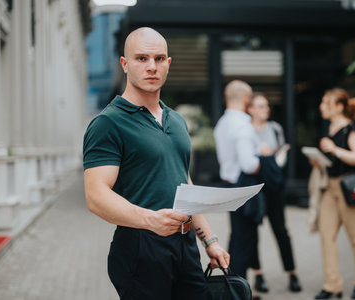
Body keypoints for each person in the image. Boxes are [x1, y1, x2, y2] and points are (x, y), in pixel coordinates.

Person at [83, 27, 229, 300]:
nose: (152, 66)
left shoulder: (176, 120)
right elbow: (96, 195)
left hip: (185, 246)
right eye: (141, 59)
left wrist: (209, 241)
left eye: (159, 59)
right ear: (125, 65)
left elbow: (184, 184)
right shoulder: (108, 123)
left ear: (168, 64)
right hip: (141, 246)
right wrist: (151, 220)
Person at [310, 88, 355, 299]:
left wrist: (334, 150)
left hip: (350, 188)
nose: (321, 106)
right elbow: (333, 162)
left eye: (326, 102)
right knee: (326, 236)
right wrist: (319, 161)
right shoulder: (330, 129)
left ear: (340, 106)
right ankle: (332, 285)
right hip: (331, 189)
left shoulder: (351, 130)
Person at [213, 81, 268, 284]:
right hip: (243, 188)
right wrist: (262, 158)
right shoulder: (243, 126)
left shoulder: (222, 123)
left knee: (238, 236)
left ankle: (235, 286)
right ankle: (238, 288)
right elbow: (248, 165)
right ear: (246, 98)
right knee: (243, 241)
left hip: (229, 184)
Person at [247, 92, 302, 293]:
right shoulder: (246, 130)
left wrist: (271, 156)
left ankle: (292, 273)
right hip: (254, 187)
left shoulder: (275, 128)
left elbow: (281, 158)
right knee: (252, 233)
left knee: (281, 230)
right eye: (261, 106)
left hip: (274, 188)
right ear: (250, 109)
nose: (266, 109)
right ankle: (259, 275)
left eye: (267, 106)